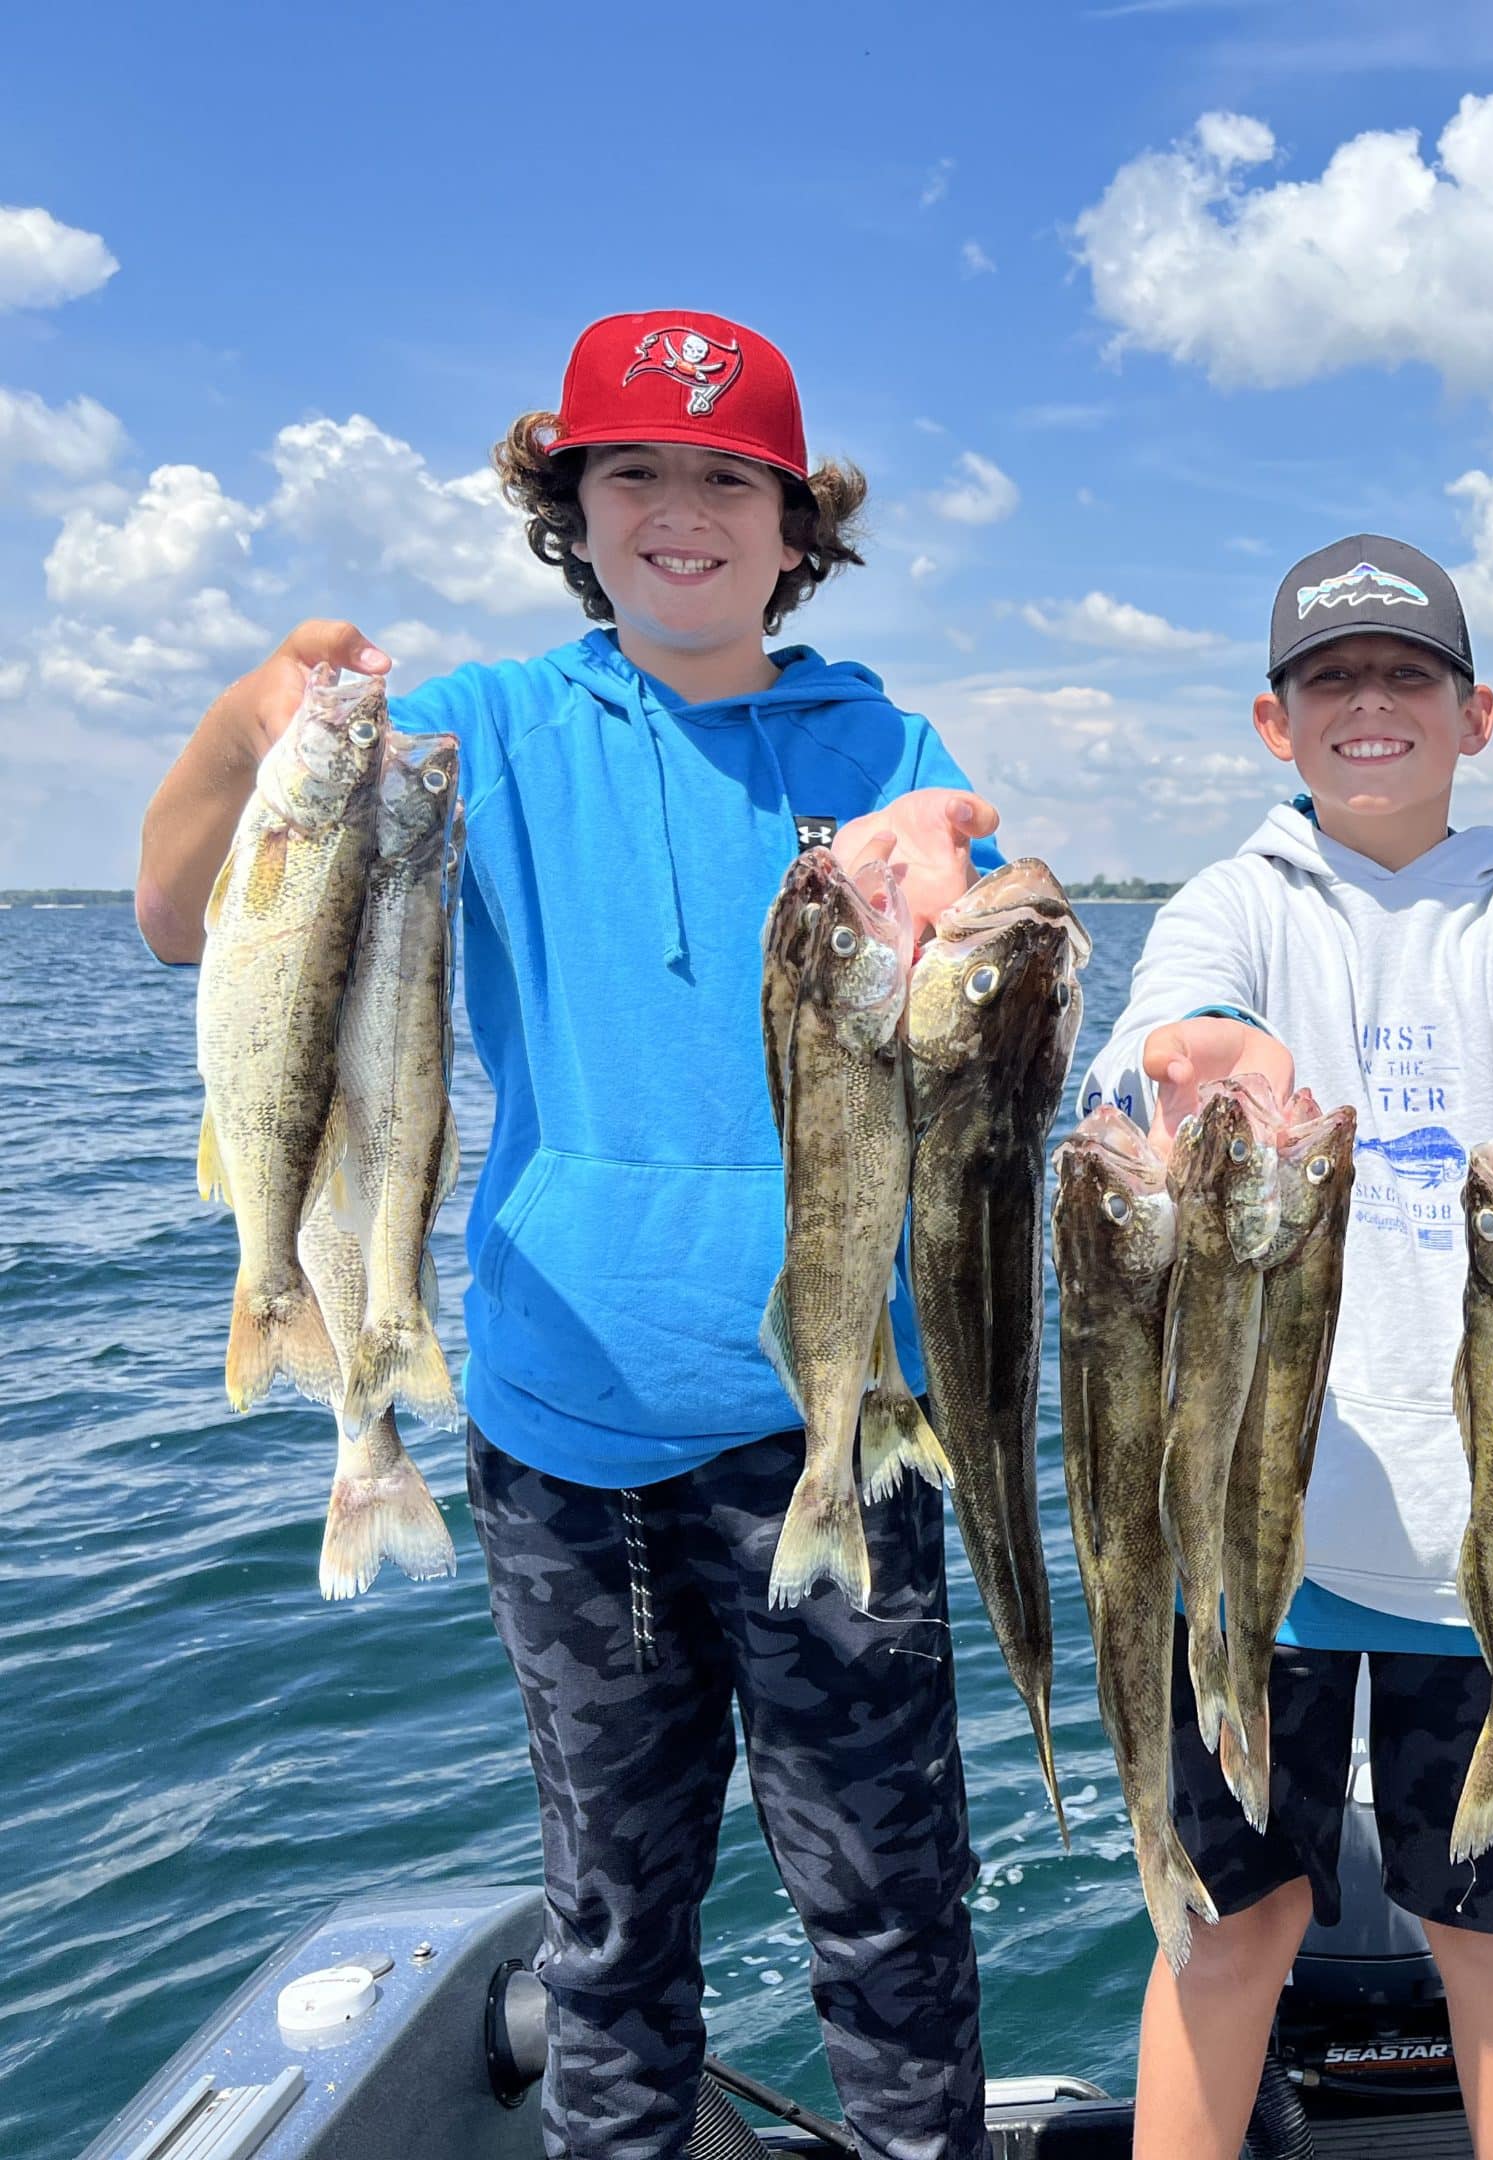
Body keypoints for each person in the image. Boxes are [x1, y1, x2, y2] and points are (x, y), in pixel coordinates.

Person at [135, 310, 1005, 2160]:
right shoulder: (479, 734)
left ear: (796, 526)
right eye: (634, 474)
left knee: (896, 1927)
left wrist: (977, 897)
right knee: (613, 1941)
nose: (678, 513)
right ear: (571, 509)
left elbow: (975, 992)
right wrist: (245, 721)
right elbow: (171, 919)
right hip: (561, 1438)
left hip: (837, 1419)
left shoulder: (883, 738)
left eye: (724, 480)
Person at [1079, 534, 1493, 2160]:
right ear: (1273, 725)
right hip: (1251, 1552)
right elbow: (1173, 1036)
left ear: (1474, 713)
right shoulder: (1230, 904)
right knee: (1226, 1932)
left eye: (1405, 675)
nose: (1368, 706)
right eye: (1328, 679)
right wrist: (1189, 1062)